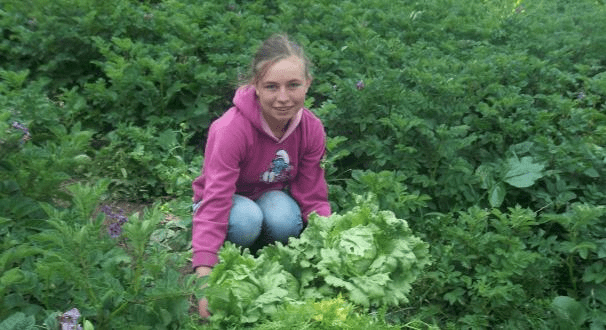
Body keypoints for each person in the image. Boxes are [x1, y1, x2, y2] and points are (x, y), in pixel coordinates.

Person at [191, 33, 332, 318]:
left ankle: (261, 261)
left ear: (308, 83)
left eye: (293, 85)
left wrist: (331, 245)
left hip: (267, 197)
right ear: (255, 86)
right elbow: (216, 200)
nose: (283, 98)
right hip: (224, 204)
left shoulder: (311, 128)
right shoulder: (231, 129)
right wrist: (205, 281)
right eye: (271, 87)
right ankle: (227, 260)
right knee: (246, 220)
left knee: (284, 220)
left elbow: (312, 194)